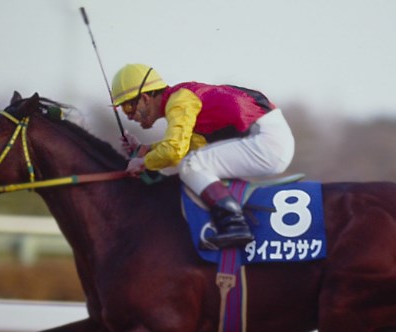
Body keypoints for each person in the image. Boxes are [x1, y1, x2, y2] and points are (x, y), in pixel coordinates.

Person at [110, 63, 295, 249]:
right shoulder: (184, 97)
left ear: (145, 98)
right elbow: (191, 144)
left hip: (266, 142)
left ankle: (235, 224)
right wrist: (145, 149)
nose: (129, 116)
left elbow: (174, 152)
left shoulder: (179, 100)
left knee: (191, 165)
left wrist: (142, 163)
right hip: (269, 139)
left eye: (128, 107)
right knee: (195, 161)